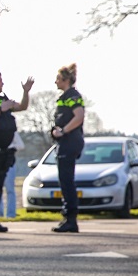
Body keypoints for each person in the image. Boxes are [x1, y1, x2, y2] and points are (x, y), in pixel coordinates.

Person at [0, 70, 32, 232]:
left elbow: (22, 107)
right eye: (0, 80)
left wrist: (25, 92)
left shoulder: (3, 99)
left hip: (4, 153)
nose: (3, 83)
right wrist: (1, 108)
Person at [50, 62, 86, 233]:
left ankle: (71, 219)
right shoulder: (65, 97)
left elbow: (79, 117)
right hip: (65, 142)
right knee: (65, 181)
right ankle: (68, 218)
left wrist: (63, 131)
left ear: (65, 80)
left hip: (70, 142)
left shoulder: (72, 96)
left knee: (67, 181)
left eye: (58, 79)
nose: (55, 82)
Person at [0, 130, 26, 218]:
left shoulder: (12, 132)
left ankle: (11, 214)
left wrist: (10, 147)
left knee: (10, 189)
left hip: (9, 162)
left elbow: (21, 145)